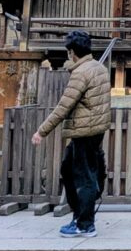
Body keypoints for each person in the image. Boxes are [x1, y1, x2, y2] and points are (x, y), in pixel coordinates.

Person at [32, 30, 110, 237]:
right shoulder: (99, 68)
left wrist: (42, 131)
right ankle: (79, 216)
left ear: (72, 52)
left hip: (84, 131)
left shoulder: (81, 73)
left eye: (68, 51)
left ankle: (85, 224)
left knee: (84, 178)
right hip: (93, 129)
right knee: (68, 169)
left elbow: (64, 106)